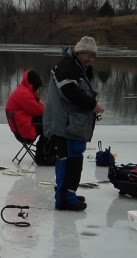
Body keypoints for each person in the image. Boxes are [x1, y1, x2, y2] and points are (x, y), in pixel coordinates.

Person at [43, 36, 104, 211]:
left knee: (75, 159)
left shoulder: (76, 68)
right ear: (79, 52)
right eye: (88, 55)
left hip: (72, 124)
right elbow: (69, 91)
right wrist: (92, 105)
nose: (91, 59)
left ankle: (68, 193)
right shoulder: (67, 67)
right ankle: (64, 198)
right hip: (66, 125)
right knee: (69, 160)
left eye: (93, 56)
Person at [4, 69, 55, 165]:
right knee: (50, 126)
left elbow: (37, 109)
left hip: (21, 126)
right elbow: (38, 110)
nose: (37, 89)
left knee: (47, 123)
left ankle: (44, 152)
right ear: (33, 84)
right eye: (37, 86)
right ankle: (42, 156)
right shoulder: (24, 94)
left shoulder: (23, 90)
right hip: (24, 130)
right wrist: (49, 110)